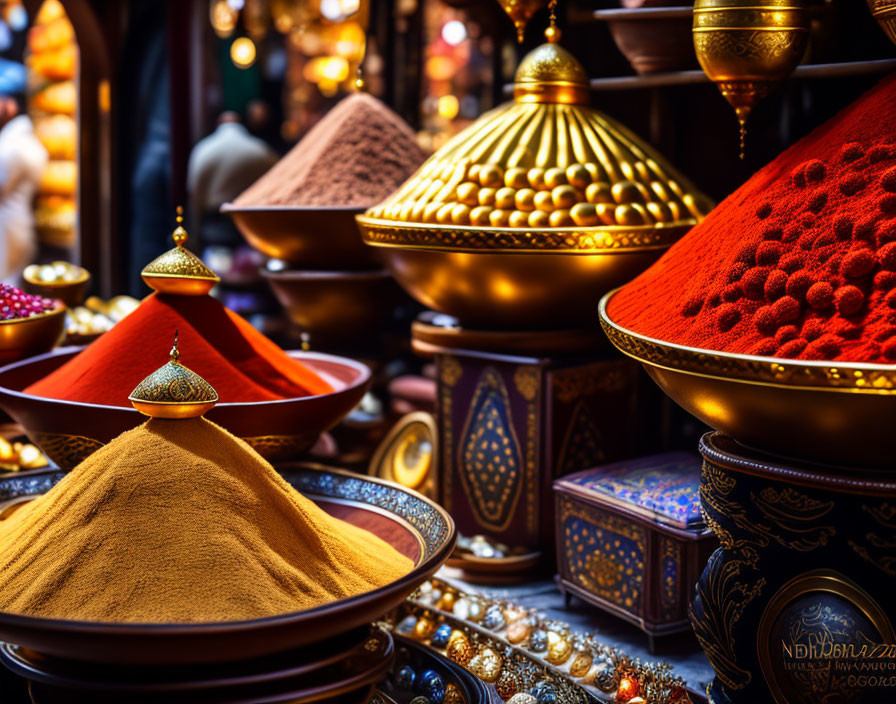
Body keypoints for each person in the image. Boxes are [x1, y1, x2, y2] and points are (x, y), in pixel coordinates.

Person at [186, 111, 277, 248]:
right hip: (253, 226)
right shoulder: (262, 150)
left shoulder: (203, 149)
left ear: (219, 124)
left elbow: (195, 194)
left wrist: (195, 233)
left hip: (216, 226)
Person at [0, 97, 48, 281]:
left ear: (10, 105)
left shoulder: (12, 147)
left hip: (8, 226)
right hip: (18, 222)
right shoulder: (26, 142)